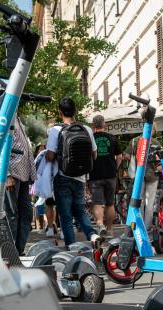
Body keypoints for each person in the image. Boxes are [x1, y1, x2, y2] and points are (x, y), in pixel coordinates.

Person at [46, 97, 100, 247]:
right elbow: (94, 155)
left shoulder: (55, 130)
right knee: (81, 211)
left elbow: (50, 156)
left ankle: (71, 248)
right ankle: (93, 235)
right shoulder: (87, 129)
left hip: (62, 176)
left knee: (66, 216)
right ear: (76, 111)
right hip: (81, 178)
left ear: (59, 112)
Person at [0, 112, 36, 255]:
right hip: (9, 171)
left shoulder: (14, 112)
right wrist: (5, 174)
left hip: (22, 173)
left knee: (25, 214)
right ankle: (9, 253)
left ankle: (18, 251)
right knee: (10, 215)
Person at [89, 114, 122, 237]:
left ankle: (100, 224)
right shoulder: (112, 138)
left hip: (95, 175)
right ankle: (109, 230)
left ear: (93, 126)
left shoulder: (90, 138)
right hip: (110, 175)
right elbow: (119, 157)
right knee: (109, 203)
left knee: (97, 202)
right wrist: (115, 168)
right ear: (105, 125)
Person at [124, 127, 160, 229]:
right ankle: (148, 227)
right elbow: (161, 160)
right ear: (153, 130)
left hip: (138, 174)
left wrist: (132, 158)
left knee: (139, 201)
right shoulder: (156, 142)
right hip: (152, 175)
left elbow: (126, 155)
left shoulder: (134, 141)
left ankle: (139, 227)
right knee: (150, 202)